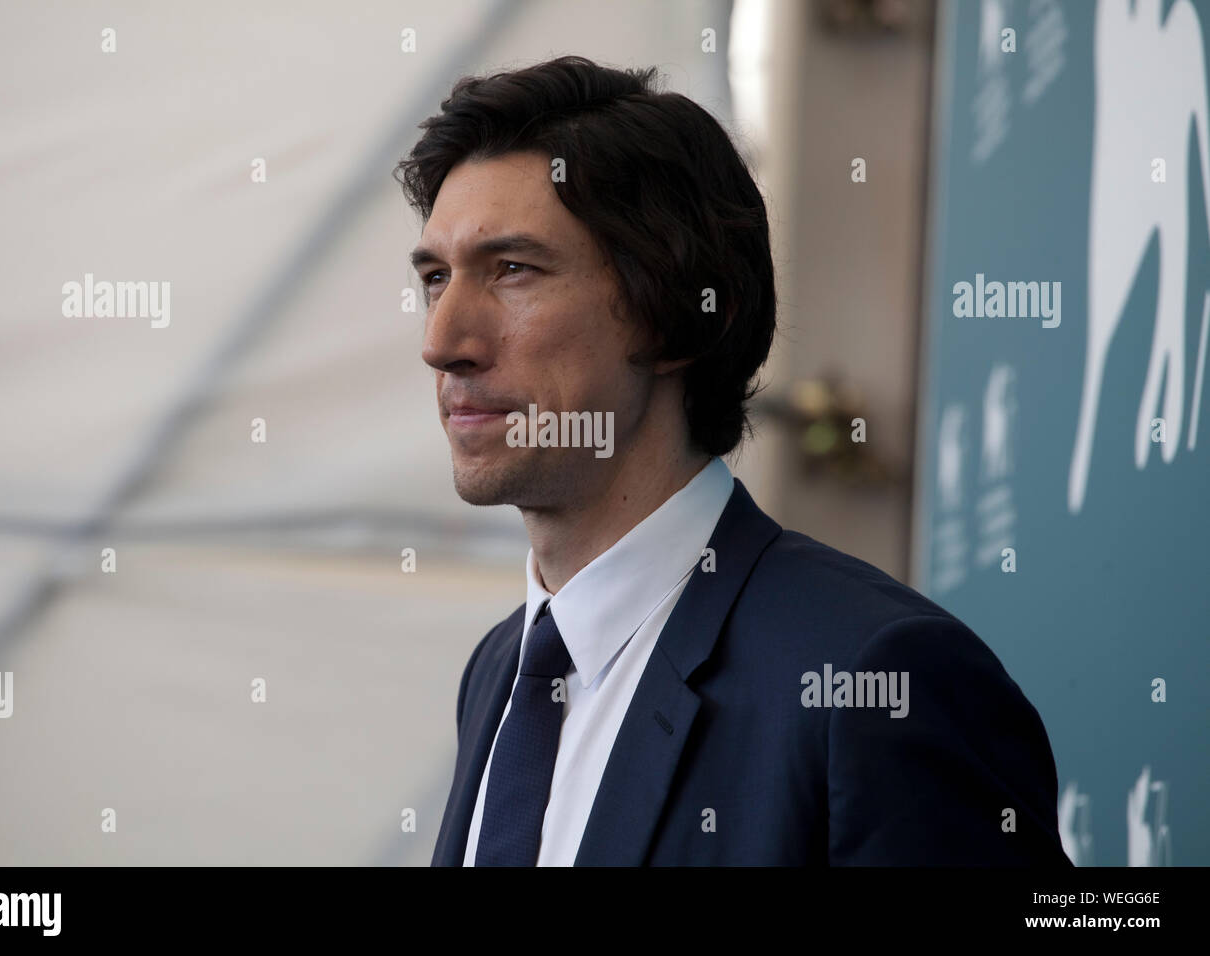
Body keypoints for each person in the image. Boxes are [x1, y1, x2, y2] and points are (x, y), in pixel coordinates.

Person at [394, 55, 1072, 867]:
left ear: (676, 316)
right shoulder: (501, 668)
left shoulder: (872, 680)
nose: (443, 343)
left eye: (513, 270)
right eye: (436, 277)